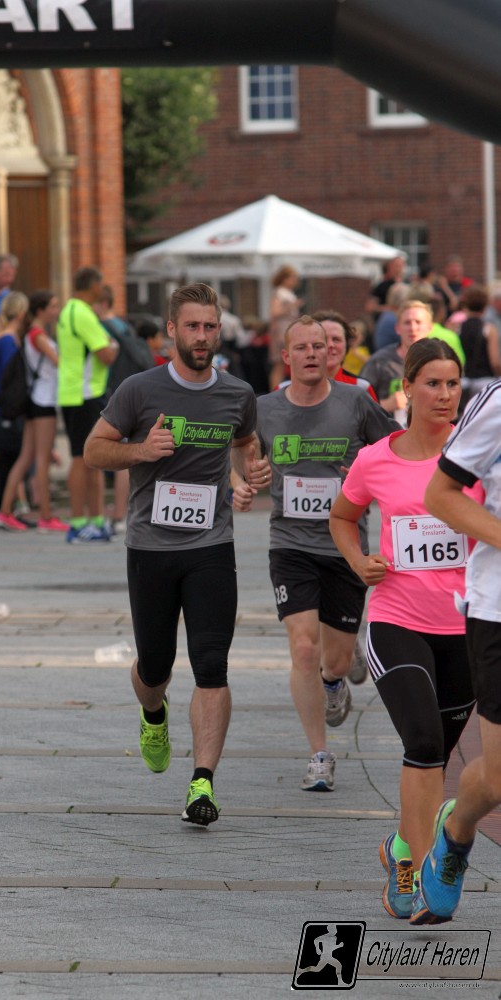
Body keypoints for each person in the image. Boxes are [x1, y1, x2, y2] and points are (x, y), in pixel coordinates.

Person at [84, 283, 264, 826]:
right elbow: (94, 450)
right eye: (192, 326)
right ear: (171, 330)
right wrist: (142, 449)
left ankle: (201, 784)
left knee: (211, 664)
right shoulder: (139, 390)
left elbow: (244, 442)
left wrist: (247, 476)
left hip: (211, 546)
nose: (201, 336)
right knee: (155, 666)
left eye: (209, 326)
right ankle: (153, 711)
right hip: (151, 548)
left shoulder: (237, 393)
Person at [329, 339, 477, 924]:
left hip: (465, 628)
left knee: (438, 759)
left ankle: (399, 846)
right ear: (407, 388)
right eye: (433, 383)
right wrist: (357, 561)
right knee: (423, 743)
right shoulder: (376, 459)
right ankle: (417, 870)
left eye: (452, 384)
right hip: (397, 620)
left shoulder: (476, 457)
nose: (445, 395)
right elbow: (342, 517)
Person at [236, 316, 397, 793]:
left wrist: (366, 470)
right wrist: (245, 479)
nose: (311, 354)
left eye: (319, 346)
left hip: (345, 547)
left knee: (338, 661)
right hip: (290, 544)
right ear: (286, 356)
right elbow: (240, 448)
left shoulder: (356, 402)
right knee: (303, 647)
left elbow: (394, 448)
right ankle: (319, 755)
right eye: (301, 347)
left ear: (332, 354)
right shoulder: (263, 407)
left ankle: (334, 682)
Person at [418, 376, 501, 924]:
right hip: (498, 608)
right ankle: (456, 831)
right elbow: (440, 495)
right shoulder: (497, 403)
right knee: (497, 778)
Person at [0, 290, 67, 533]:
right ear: (40, 310)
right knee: (41, 460)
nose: (56, 311)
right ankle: (46, 516)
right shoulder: (38, 335)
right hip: (44, 401)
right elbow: (59, 362)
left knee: (25, 458)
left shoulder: (30, 334)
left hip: (33, 400)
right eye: (53, 306)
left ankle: (4, 512)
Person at [56, 267, 119, 543]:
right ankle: (82, 523)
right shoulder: (83, 313)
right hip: (86, 393)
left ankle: (93, 521)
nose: (102, 290)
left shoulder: (68, 310)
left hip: (73, 391)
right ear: (93, 286)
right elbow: (106, 354)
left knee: (88, 459)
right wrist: (113, 345)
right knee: (85, 459)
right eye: (100, 285)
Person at [94, 285, 155, 534]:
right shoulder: (124, 326)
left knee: (121, 454)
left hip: (115, 392)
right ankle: (126, 513)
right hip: (137, 392)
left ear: (101, 304)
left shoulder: (102, 328)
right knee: (130, 451)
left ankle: (118, 514)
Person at [0, 291, 29, 514]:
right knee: (10, 459)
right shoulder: (9, 339)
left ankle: (1, 507)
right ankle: (4, 508)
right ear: (21, 313)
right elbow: (12, 376)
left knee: (4, 460)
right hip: (9, 406)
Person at [360, 300, 432, 426]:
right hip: (388, 433)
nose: (413, 328)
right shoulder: (379, 362)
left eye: (418, 322)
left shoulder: (438, 362)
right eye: (407, 323)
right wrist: (386, 404)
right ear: (397, 328)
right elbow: (358, 407)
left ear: (430, 327)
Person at [268, 265, 301, 389]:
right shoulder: (279, 292)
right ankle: (274, 391)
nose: (294, 280)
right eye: (292, 277)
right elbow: (275, 312)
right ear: (284, 278)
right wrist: (291, 306)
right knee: (279, 364)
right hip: (281, 331)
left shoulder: (287, 293)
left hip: (289, 329)